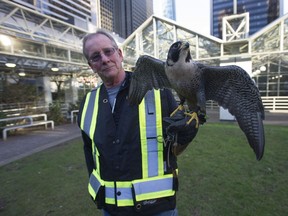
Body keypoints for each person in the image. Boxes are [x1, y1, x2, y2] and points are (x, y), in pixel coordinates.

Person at [78, 29, 199, 216]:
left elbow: (174, 149)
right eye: (96, 56)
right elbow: (90, 155)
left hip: (158, 208)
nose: (104, 59)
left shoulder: (158, 91)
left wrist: (185, 137)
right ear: (91, 65)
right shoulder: (87, 103)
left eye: (108, 51)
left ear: (119, 54)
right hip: (111, 210)